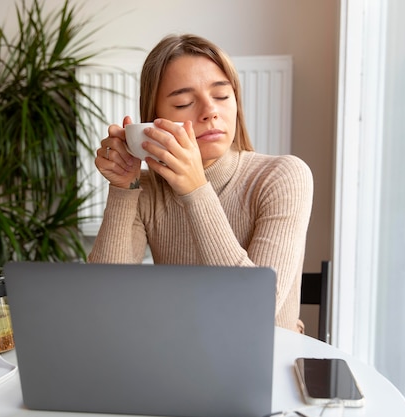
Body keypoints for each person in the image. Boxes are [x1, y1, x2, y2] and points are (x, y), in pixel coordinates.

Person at [88, 33, 313, 332]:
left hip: (268, 361)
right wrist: (122, 188)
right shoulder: (147, 191)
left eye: (221, 96)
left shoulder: (283, 176)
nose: (211, 112)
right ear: (154, 121)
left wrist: (195, 190)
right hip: (178, 356)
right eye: (184, 103)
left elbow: (254, 310)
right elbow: (104, 303)